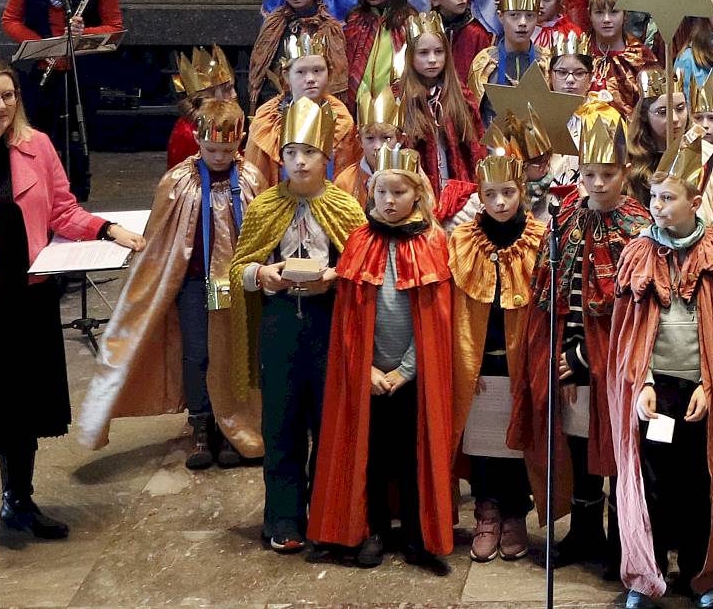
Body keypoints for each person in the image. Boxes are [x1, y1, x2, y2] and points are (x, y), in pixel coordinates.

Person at [0, 56, 146, 564]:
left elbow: (63, 209)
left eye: (9, 96)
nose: (1, 107)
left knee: (22, 409)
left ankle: (18, 503)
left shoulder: (36, 146)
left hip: (28, 302)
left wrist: (108, 229)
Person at [79, 96, 263, 470]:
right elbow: (162, 240)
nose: (219, 157)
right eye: (211, 148)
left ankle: (233, 426)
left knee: (235, 353)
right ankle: (201, 422)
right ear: (197, 138)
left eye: (227, 150)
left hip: (239, 287)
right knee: (197, 355)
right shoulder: (178, 182)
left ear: (240, 142)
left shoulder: (251, 180)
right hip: (193, 286)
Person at [606, 150, 713, 609]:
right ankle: (648, 574)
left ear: (696, 199)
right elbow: (629, 330)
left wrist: (710, 384)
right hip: (657, 387)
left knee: (698, 479)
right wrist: (642, 381)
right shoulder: (639, 253)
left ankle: (699, 575)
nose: (658, 207)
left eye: (668, 197)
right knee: (654, 480)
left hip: (700, 389)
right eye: (653, 197)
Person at [306, 147, 456, 572]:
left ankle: (415, 533)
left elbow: (435, 317)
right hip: (367, 373)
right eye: (381, 192)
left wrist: (406, 370)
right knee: (370, 454)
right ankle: (371, 530)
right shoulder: (360, 240)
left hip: (412, 376)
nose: (389, 201)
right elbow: (350, 317)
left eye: (399, 192)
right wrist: (367, 368)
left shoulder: (433, 241)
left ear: (417, 194)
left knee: (412, 455)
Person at [230, 95, 366, 552]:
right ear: (281, 157)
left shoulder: (346, 208)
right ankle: (283, 516)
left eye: (309, 153)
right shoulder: (265, 206)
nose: (300, 161)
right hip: (282, 322)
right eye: (291, 153)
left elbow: (364, 267)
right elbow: (238, 268)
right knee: (282, 423)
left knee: (328, 423)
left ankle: (328, 515)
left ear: (326, 158)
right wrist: (262, 274)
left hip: (329, 324)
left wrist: (336, 277)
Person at [542, 100, 655, 569]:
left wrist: (594, 355)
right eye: (590, 174)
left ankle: (618, 536)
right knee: (577, 446)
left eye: (608, 173)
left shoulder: (639, 226)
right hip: (570, 354)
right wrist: (566, 351)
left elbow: (636, 303)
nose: (598, 183)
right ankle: (583, 529)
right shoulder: (566, 219)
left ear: (624, 171)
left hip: (616, 356)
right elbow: (555, 290)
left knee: (617, 445)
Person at [448, 131, 546, 563]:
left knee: (515, 443)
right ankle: (486, 512)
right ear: (481, 196)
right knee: (481, 444)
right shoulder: (465, 240)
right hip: (477, 360)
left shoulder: (541, 239)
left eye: (508, 192)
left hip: (520, 360)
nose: (501, 202)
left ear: (521, 191)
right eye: (492, 194)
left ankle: (515, 514)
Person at [1, 0, 124, 199]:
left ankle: (76, 196)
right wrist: (44, 44)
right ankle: (37, 193)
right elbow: (10, 20)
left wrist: (85, 33)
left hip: (80, 74)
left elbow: (114, 29)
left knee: (75, 142)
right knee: (36, 139)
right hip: (38, 72)